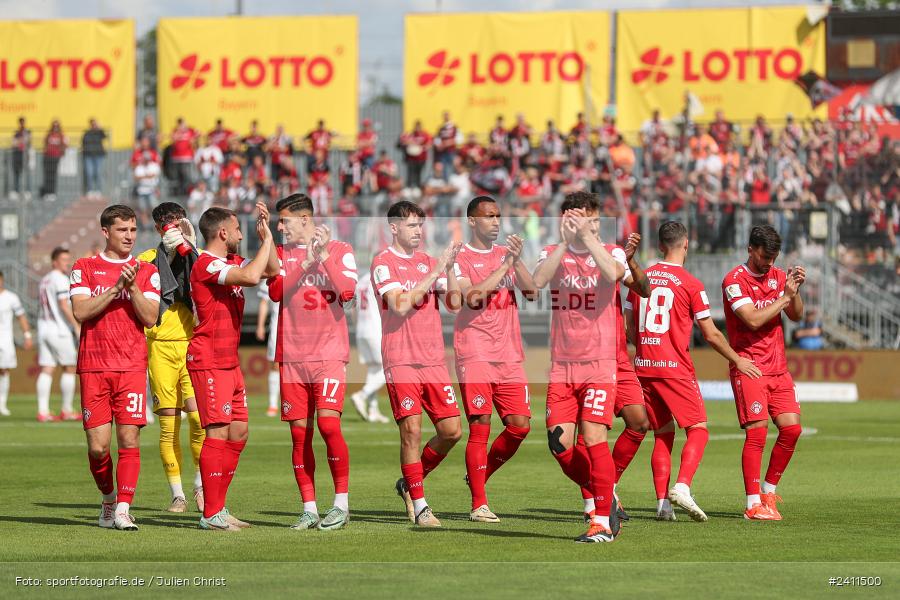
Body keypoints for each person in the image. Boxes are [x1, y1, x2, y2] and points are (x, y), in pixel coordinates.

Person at [625, 221, 760, 523]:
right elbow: (711, 334)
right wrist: (738, 360)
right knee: (698, 429)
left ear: (661, 245)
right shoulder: (690, 283)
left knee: (662, 434)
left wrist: (647, 349)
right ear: (685, 244)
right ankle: (682, 487)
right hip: (675, 368)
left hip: (644, 366)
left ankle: (662, 504)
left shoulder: (638, 278)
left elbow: (630, 327)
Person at [532, 191, 625, 543]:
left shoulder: (612, 252)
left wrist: (586, 237)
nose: (584, 225)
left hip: (599, 364)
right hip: (562, 367)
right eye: (576, 218)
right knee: (560, 446)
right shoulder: (551, 253)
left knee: (594, 437)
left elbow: (614, 274)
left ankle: (601, 520)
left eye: (590, 219)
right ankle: (603, 491)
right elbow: (539, 281)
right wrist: (565, 242)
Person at [265, 194, 357, 530]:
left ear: (305, 219)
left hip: (330, 354)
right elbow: (276, 292)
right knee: (299, 436)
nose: (280, 226)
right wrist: (306, 263)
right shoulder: (278, 254)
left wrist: (323, 258)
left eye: (284, 220)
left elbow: (347, 292)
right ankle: (309, 507)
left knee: (329, 426)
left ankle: (341, 504)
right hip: (292, 356)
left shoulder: (341, 249)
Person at [370, 200, 463, 528]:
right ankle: (421, 506)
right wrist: (436, 271)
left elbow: (454, 304)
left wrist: (449, 267)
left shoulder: (428, 261)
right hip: (401, 359)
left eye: (420, 225)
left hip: (433, 360)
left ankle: (409, 481)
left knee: (452, 431)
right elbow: (399, 305)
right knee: (411, 431)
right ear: (393, 228)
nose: (418, 231)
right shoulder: (383, 262)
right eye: (411, 225)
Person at [68, 204, 161, 530]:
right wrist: (114, 289)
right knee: (98, 447)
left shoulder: (146, 271)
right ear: (105, 232)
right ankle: (108, 499)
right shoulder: (85, 267)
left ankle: (123, 508)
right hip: (94, 365)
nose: (129, 236)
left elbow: (150, 318)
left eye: (133, 230)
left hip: (131, 366)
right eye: (123, 230)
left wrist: (132, 286)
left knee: (129, 440)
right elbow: (81, 311)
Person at [189, 203, 277, 531]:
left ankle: (219, 508)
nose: (242, 234)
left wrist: (266, 236)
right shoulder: (206, 264)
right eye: (238, 228)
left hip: (229, 361)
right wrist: (264, 242)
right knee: (218, 432)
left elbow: (272, 271)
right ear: (223, 232)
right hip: (208, 360)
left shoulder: (230, 261)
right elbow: (254, 276)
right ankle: (211, 513)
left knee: (239, 432)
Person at [453, 196, 538, 522]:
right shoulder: (460, 255)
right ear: (472, 221)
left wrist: (515, 262)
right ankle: (479, 504)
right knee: (480, 427)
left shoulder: (507, 254)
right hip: (475, 350)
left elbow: (531, 291)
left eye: (498, 216)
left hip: (509, 354)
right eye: (488, 217)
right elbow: (469, 297)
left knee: (520, 427)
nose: (496, 222)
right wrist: (504, 266)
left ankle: (478, 475)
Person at [722, 225, 806, 521]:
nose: (769, 262)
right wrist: (783, 297)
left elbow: (796, 314)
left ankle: (769, 492)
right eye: (764, 256)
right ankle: (752, 503)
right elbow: (752, 320)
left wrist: (793, 292)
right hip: (750, 366)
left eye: (773, 257)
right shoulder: (734, 280)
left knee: (792, 429)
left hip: (778, 368)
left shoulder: (779, 276)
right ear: (750, 249)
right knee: (757, 433)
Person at [136, 202, 206, 514]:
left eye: (176, 220)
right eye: (165, 223)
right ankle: (177, 493)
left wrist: (191, 247)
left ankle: (200, 485)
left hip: (191, 345)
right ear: (156, 228)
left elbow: (207, 280)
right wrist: (164, 256)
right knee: (168, 426)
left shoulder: (195, 253)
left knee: (199, 420)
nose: (171, 226)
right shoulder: (146, 259)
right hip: (160, 348)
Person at [36, 247, 80, 421]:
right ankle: (67, 410)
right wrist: (76, 325)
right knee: (69, 367)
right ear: (54, 261)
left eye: (68, 259)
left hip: (43, 328)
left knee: (47, 368)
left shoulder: (45, 280)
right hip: (59, 330)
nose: (67, 262)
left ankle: (43, 411)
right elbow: (63, 304)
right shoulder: (61, 279)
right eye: (63, 259)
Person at [349, 273, 391, 423]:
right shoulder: (380, 278)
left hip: (362, 330)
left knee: (374, 370)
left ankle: (373, 411)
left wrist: (357, 327)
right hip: (376, 329)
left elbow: (352, 308)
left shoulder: (361, 281)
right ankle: (362, 395)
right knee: (389, 369)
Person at [0, 270, 33, 416]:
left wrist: (27, 335)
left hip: (5, 340)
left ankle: (2, 404)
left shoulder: (11, 297)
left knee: (4, 370)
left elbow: (21, 317)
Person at [255, 280, 280, 417]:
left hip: (300, 328)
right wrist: (260, 326)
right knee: (275, 365)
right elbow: (264, 302)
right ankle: (273, 404)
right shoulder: (273, 270)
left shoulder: (303, 267)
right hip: (278, 327)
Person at [41, 120, 67, 201]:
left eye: (57, 126)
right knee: (47, 175)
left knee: (53, 175)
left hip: (55, 157)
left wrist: (61, 152)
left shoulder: (61, 135)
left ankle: (52, 192)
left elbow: (64, 145)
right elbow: (45, 143)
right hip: (47, 157)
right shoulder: (49, 134)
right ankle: (47, 192)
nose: (55, 128)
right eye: (54, 126)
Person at [82, 118, 107, 198]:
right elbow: (83, 141)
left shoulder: (99, 132)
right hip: (88, 155)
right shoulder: (87, 133)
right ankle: (90, 190)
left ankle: (98, 190)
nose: (93, 125)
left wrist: (99, 128)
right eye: (92, 124)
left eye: (95, 124)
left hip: (98, 155)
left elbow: (104, 136)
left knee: (98, 173)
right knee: (89, 173)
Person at [11, 116, 31, 199]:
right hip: (17, 155)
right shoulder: (16, 133)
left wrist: (19, 141)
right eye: (20, 122)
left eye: (23, 122)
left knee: (26, 174)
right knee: (16, 173)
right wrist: (21, 140)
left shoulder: (27, 131)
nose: (21, 124)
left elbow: (28, 140)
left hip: (25, 154)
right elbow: (13, 143)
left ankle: (27, 191)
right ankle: (16, 191)